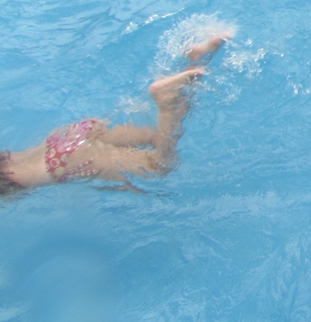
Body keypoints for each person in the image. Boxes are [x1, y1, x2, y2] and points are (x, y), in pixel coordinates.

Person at [0, 33, 228, 198]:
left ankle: (165, 101)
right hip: (62, 137)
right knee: (161, 136)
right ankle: (194, 59)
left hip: (65, 162)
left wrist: (122, 185)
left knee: (159, 166)